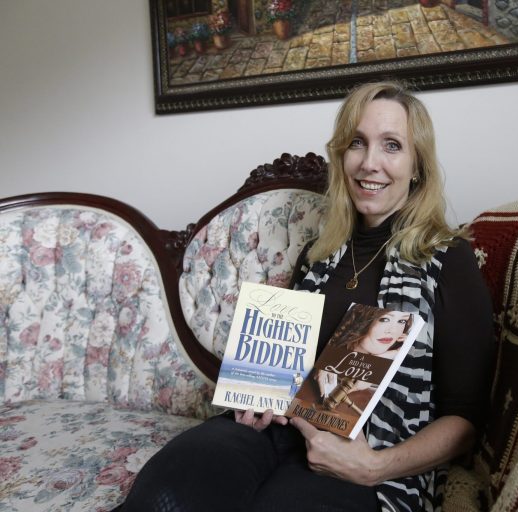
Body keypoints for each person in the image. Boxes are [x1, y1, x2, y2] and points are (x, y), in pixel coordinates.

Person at [119, 81, 494, 512]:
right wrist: (260, 397)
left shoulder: (448, 259)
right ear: (341, 155)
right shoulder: (320, 254)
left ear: (417, 167)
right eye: (357, 143)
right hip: (276, 432)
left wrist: (374, 466)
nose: (370, 163)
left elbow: (465, 420)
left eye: (392, 146)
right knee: (166, 496)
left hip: (368, 460)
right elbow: (287, 369)